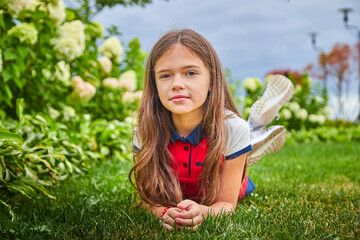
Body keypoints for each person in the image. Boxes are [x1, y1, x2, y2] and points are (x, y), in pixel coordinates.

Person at [129, 28, 294, 232]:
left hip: (219, 174)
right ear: (154, 84)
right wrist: (163, 213)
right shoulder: (144, 130)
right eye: (165, 76)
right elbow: (144, 202)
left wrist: (204, 212)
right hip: (187, 181)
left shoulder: (232, 128)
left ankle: (249, 133)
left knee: (237, 143)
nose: (177, 84)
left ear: (211, 81)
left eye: (190, 73)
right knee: (236, 135)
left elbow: (226, 205)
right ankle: (251, 135)